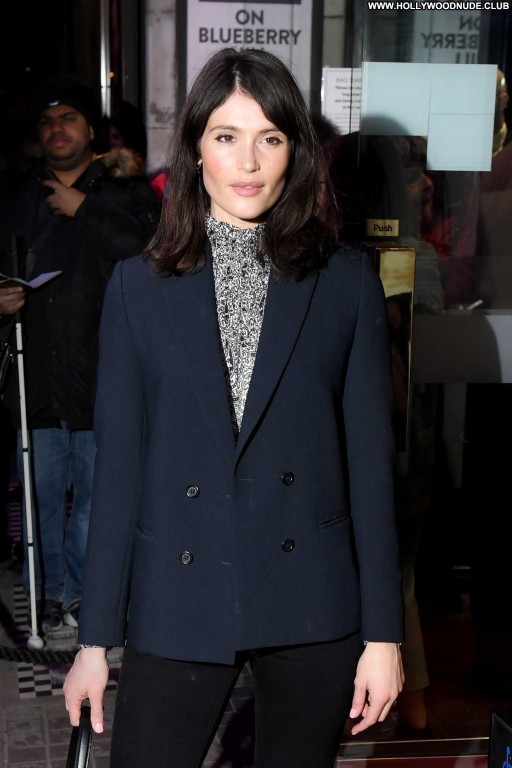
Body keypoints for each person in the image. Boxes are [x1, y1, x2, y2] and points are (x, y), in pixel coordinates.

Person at [63, 48, 404, 768]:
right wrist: (94, 643)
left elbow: (372, 470)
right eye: (226, 136)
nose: (247, 162)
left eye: (269, 138)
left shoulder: (345, 283)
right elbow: (118, 473)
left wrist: (384, 635)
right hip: (180, 592)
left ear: (295, 152)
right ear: (195, 148)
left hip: (310, 597)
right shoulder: (137, 288)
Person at [0, 73, 160, 635]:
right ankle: (46, 596)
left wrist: (84, 208)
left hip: (105, 379)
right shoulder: (17, 196)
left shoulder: (127, 192)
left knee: (98, 502)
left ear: (91, 129)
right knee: (40, 501)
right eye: (46, 121)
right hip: (37, 379)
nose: (56, 129)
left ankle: (86, 599)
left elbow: (155, 253)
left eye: (68, 118)